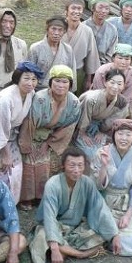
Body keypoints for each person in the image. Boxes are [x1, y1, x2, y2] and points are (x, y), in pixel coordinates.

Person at [29, 147, 121, 263]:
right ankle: (81, 253)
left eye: (80, 165)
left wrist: (114, 235)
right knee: (42, 236)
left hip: (75, 228)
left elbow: (100, 208)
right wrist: (55, 247)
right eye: (72, 165)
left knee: (99, 232)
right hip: (53, 227)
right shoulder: (53, 184)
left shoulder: (87, 183)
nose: (76, 170)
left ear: (84, 167)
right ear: (63, 166)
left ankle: (66, 250)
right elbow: (49, 217)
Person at [0, 61, 43, 204]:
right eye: (26, 78)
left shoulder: (30, 93)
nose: (30, 83)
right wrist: (5, 154)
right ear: (17, 78)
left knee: (16, 167)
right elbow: (0, 128)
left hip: (11, 132)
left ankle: (9, 202)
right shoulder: (6, 100)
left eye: (34, 79)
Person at [19, 65, 82, 210]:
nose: (61, 85)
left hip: (51, 137)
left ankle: (41, 196)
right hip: (31, 134)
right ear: (50, 82)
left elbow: (69, 126)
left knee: (45, 166)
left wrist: (49, 143)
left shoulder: (73, 102)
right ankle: (26, 198)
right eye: (57, 81)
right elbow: (30, 123)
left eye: (65, 82)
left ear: (70, 85)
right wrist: (27, 145)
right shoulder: (40, 98)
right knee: (28, 165)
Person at [92, 119, 132, 256]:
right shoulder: (102, 153)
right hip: (105, 202)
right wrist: (104, 166)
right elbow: (96, 186)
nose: (124, 138)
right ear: (113, 135)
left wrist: (128, 216)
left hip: (127, 204)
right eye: (120, 134)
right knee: (98, 236)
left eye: (128, 134)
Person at [74, 68, 129, 164]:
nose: (115, 87)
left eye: (119, 84)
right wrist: (82, 133)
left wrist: (102, 132)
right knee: (93, 155)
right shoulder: (92, 98)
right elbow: (83, 116)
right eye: (112, 82)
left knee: (108, 153)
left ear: (124, 86)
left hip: (101, 129)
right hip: (82, 128)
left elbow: (113, 121)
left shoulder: (122, 103)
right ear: (105, 83)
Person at [90, 43, 132, 117]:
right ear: (113, 58)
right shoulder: (102, 71)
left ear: (131, 60)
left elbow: (128, 97)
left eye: (127, 59)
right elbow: (98, 92)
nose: (123, 62)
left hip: (122, 105)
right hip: (100, 102)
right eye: (120, 58)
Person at [28, 16, 77, 90]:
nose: (56, 33)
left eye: (60, 30)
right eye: (53, 29)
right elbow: (29, 73)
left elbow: (72, 73)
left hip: (61, 90)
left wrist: (70, 90)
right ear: (47, 30)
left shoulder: (68, 50)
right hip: (38, 90)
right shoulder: (35, 48)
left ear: (64, 32)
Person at [62, 0, 100, 95]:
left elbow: (91, 56)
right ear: (66, 11)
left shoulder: (87, 31)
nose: (76, 11)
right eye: (73, 8)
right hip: (58, 70)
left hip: (78, 73)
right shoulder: (59, 27)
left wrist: (89, 79)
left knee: (75, 100)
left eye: (79, 9)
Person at [85, 0, 118, 65]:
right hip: (84, 64)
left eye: (107, 8)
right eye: (100, 7)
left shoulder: (112, 29)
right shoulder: (83, 26)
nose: (103, 11)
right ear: (93, 8)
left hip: (104, 65)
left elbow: (112, 52)